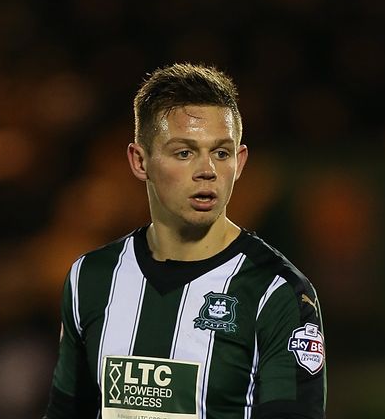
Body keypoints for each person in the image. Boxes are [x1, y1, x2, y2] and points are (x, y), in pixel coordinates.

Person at [44, 63, 326, 419]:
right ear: (140, 161)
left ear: (239, 163)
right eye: (184, 152)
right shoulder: (91, 278)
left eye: (221, 153)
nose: (207, 170)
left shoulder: (275, 291)